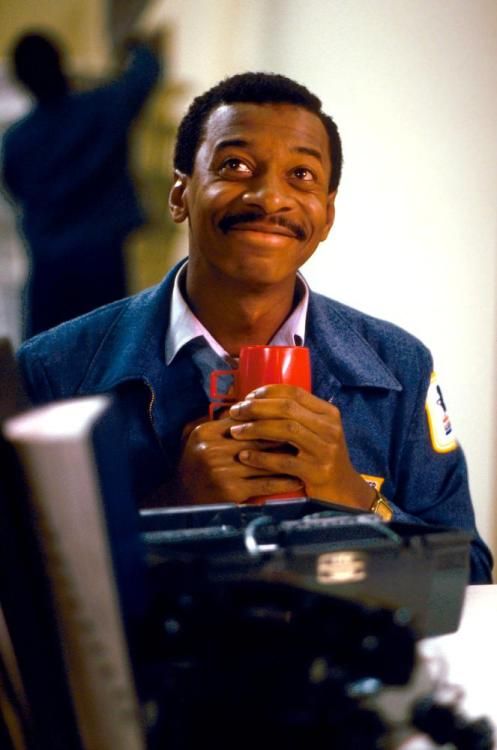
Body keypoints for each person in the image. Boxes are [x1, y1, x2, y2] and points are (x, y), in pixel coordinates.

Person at [16, 72, 493, 583]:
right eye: (235, 165)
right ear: (181, 194)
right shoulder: (52, 373)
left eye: (302, 176)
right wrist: (171, 508)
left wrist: (353, 498)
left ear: (326, 216)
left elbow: (469, 575)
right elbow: (20, 595)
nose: (270, 198)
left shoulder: (400, 369)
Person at [1, 30, 161, 338]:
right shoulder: (102, 108)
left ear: (22, 81)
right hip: (102, 260)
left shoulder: (18, 140)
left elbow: (15, 190)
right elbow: (144, 77)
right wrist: (137, 45)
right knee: (108, 356)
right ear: (61, 62)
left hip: (49, 268)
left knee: (47, 366)